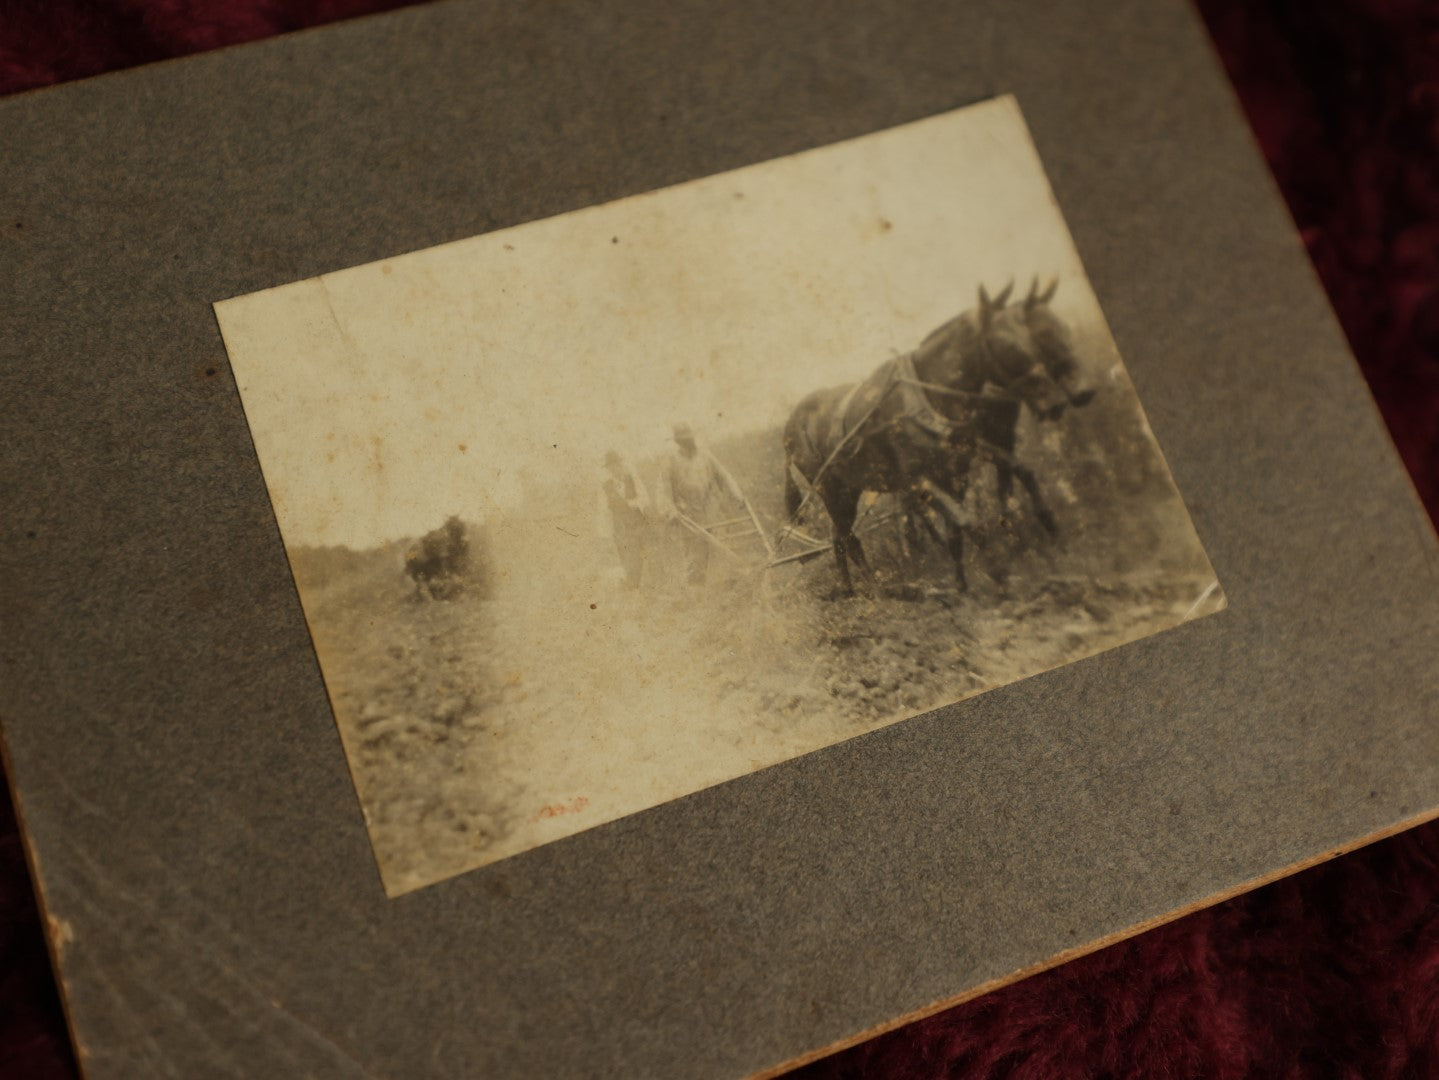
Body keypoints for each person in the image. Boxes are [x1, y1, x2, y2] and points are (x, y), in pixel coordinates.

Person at [656, 422, 745, 585]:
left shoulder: (705, 456)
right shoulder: (670, 461)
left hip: (711, 509)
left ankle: (731, 586)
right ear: (677, 442)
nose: (688, 443)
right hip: (689, 514)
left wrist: (737, 495)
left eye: (689, 439)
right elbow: (663, 489)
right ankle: (697, 594)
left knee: (723, 550)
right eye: (683, 440)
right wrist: (670, 511)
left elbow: (723, 476)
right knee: (696, 557)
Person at [597, 449, 650, 589]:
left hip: (637, 524)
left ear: (621, 464)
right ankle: (632, 588)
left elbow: (645, 499)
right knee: (625, 557)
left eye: (616, 465)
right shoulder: (606, 487)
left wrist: (633, 503)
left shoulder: (632, 478)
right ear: (608, 469)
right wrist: (605, 534)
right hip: (620, 527)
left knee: (639, 557)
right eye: (611, 467)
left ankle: (638, 586)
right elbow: (604, 511)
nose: (614, 469)